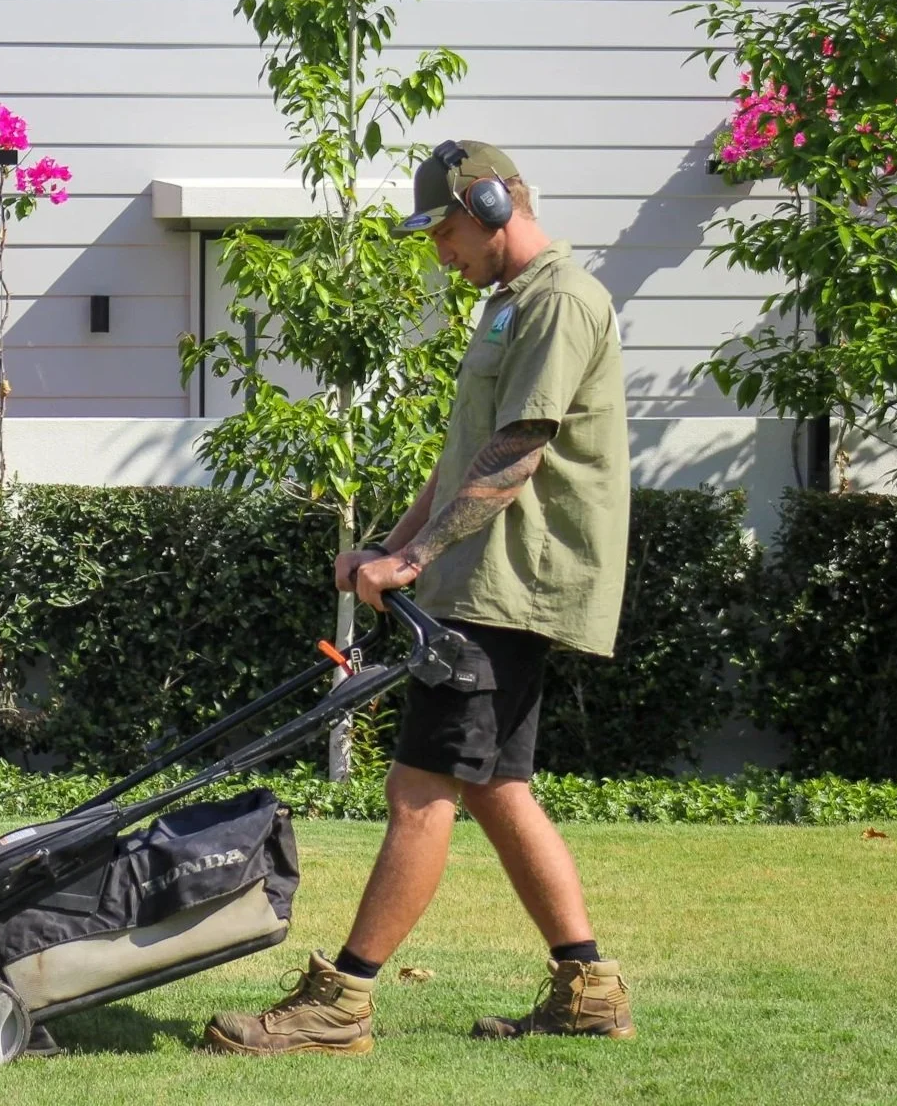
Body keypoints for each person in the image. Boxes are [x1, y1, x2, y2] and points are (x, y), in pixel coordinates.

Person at [205, 140, 634, 1054]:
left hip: (508, 583)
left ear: (486, 204)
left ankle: (341, 1001)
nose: (438, 249)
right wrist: (393, 549)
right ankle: (587, 985)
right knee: (498, 789)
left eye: (442, 228)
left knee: (418, 788)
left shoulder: (558, 301)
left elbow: (518, 449)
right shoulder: (506, 307)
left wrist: (413, 563)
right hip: (479, 579)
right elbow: (464, 457)